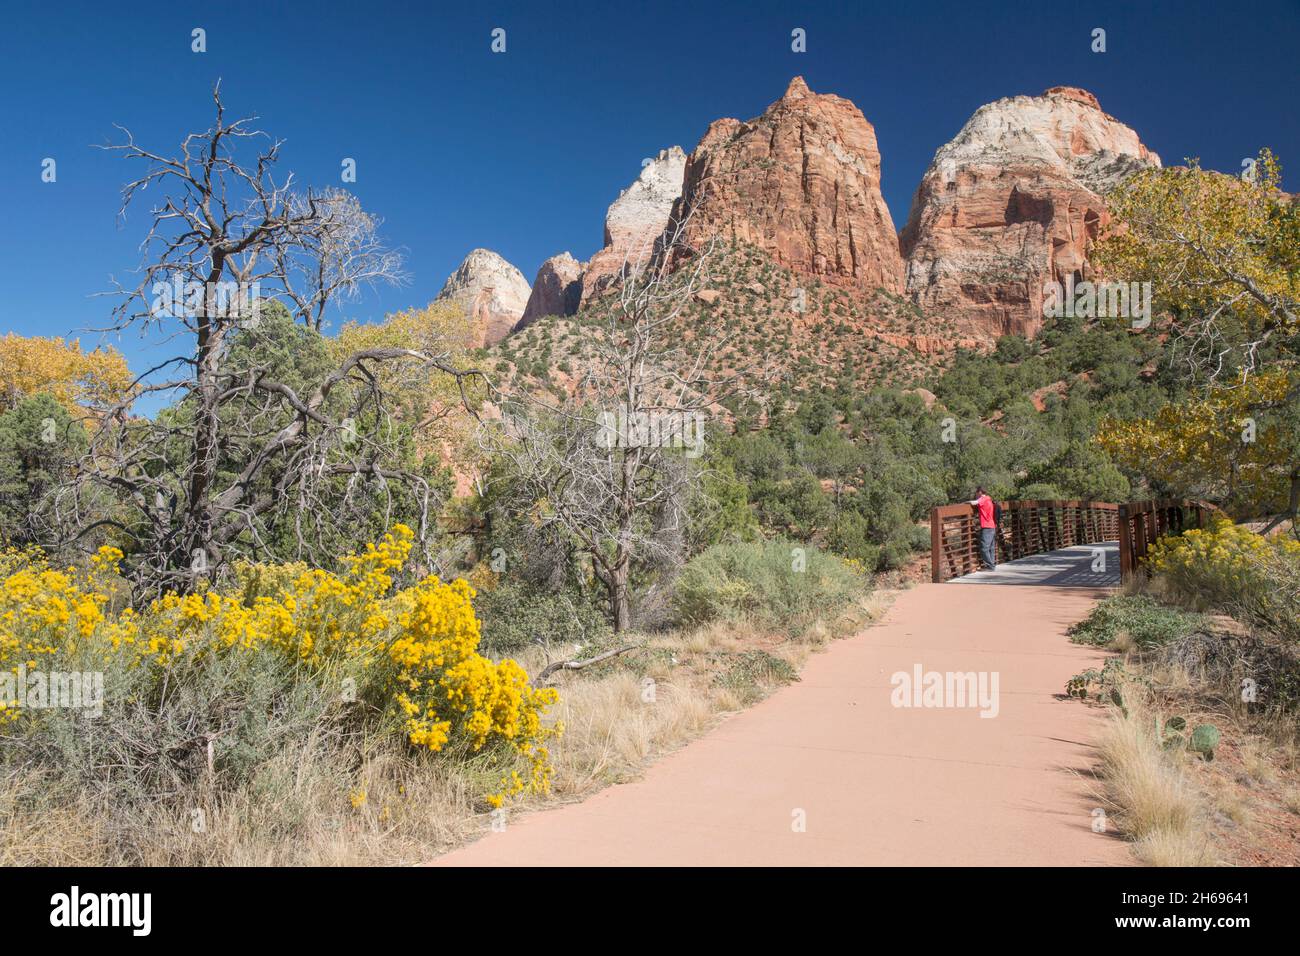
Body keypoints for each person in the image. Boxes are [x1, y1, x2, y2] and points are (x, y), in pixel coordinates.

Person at [968, 486, 997, 570]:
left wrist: (965, 502)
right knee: (990, 548)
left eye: (977, 492)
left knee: (984, 548)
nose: (976, 494)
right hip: (992, 525)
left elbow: (974, 503)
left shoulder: (983, 498)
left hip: (987, 526)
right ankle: (991, 565)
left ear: (980, 492)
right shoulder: (989, 498)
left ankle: (990, 566)